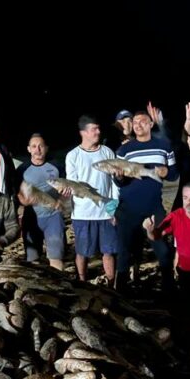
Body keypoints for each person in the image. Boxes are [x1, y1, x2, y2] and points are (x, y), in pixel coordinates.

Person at [113, 111, 179, 291]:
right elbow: (118, 181)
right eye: (135, 122)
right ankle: (121, 292)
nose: (138, 125)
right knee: (124, 252)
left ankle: (169, 290)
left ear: (151, 124)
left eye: (143, 121)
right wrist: (118, 177)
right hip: (127, 209)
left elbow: (174, 174)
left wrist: (167, 173)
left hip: (154, 208)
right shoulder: (124, 150)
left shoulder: (164, 146)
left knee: (162, 250)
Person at [65, 115, 120, 283]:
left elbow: (114, 184)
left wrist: (114, 208)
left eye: (98, 128)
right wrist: (68, 191)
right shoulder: (73, 155)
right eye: (93, 129)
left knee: (109, 251)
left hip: (106, 212)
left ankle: (111, 283)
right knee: (83, 252)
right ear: (83, 132)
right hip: (82, 214)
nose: (98, 131)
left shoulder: (107, 151)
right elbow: (72, 183)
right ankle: (82, 281)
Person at [17, 133, 66, 270]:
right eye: (34, 146)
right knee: (33, 260)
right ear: (28, 149)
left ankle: (59, 287)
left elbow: (66, 189)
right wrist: (24, 202)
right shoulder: (22, 169)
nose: (37, 149)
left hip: (53, 217)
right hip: (31, 217)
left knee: (56, 257)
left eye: (41, 146)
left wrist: (63, 198)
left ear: (47, 148)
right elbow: (16, 193)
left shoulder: (57, 166)